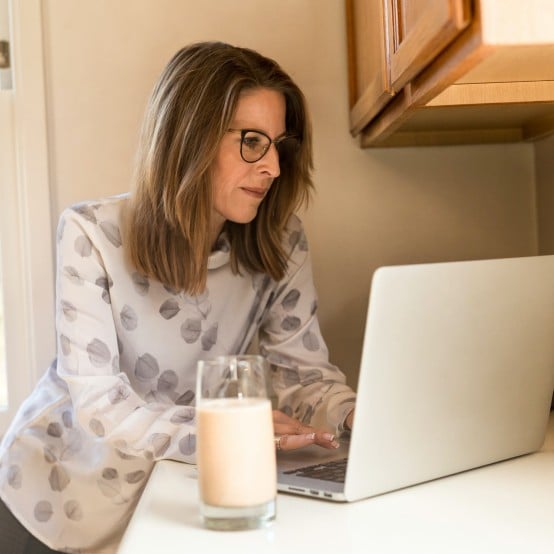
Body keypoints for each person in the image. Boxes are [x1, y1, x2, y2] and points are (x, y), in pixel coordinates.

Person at [0, 41, 356, 553]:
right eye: (252, 141)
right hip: (49, 503)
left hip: (166, 500)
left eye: (279, 145)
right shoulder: (90, 234)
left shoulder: (280, 240)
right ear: (188, 138)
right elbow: (101, 405)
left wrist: (352, 415)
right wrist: (232, 431)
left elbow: (303, 378)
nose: (274, 167)